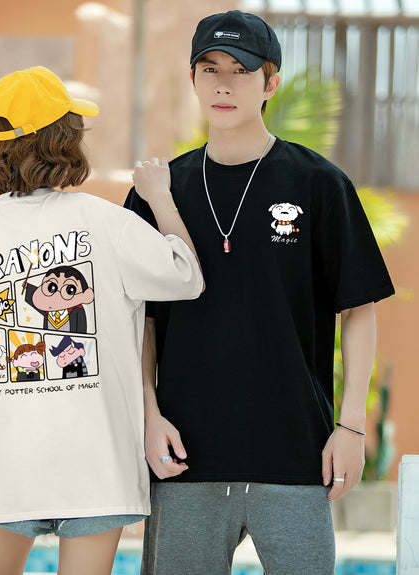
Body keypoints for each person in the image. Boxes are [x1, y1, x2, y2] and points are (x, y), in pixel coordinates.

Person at [125, 10, 395, 575]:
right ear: (193, 78)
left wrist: (350, 427)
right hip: (184, 459)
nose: (223, 84)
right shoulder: (158, 192)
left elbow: (358, 308)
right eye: (210, 68)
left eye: (241, 70)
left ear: (270, 83)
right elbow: (139, 323)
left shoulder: (318, 183)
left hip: (297, 456)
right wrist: (148, 415)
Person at [0, 66, 203, 575]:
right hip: (97, 465)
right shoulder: (105, 221)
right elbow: (186, 277)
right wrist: (160, 197)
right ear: (64, 138)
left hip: (2, 467)